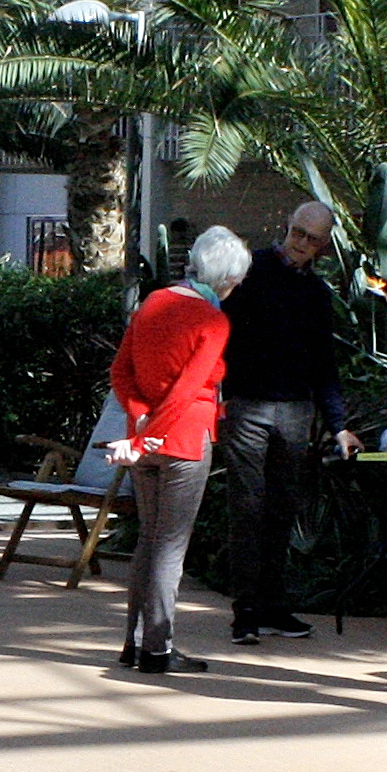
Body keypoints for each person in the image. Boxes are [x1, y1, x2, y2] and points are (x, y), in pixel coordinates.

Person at [107, 226, 244, 676]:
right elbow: (188, 389)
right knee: (170, 545)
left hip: (142, 437)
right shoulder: (213, 320)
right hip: (184, 438)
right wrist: (155, 431)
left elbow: (120, 371)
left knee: (148, 537)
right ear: (225, 279)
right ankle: (158, 646)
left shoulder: (151, 304)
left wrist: (140, 421)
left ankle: (132, 640)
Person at [219, 201, 356, 643]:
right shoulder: (251, 270)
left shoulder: (317, 293)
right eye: (298, 233)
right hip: (247, 404)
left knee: (281, 508)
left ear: (324, 245)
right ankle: (245, 611)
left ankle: (274, 605)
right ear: (287, 226)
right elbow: (216, 329)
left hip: (295, 409)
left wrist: (337, 425)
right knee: (247, 506)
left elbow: (325, 365)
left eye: (313, 239)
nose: (302, 245)